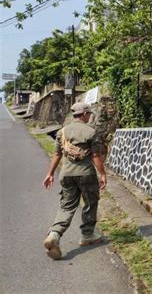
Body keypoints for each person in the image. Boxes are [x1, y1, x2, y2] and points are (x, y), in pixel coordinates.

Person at [42, 102, 107, 260]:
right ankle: (87, 234)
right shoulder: (91, 132)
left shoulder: (62, 132)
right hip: (86, 175)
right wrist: (103, 174)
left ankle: (54, 234)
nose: (90, 115)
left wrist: (50, 173)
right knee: (90, 203)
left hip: (66, 174)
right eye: (89, 113)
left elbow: (57, 154)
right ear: (84, 114)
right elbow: (96, 156)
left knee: (67, 207)